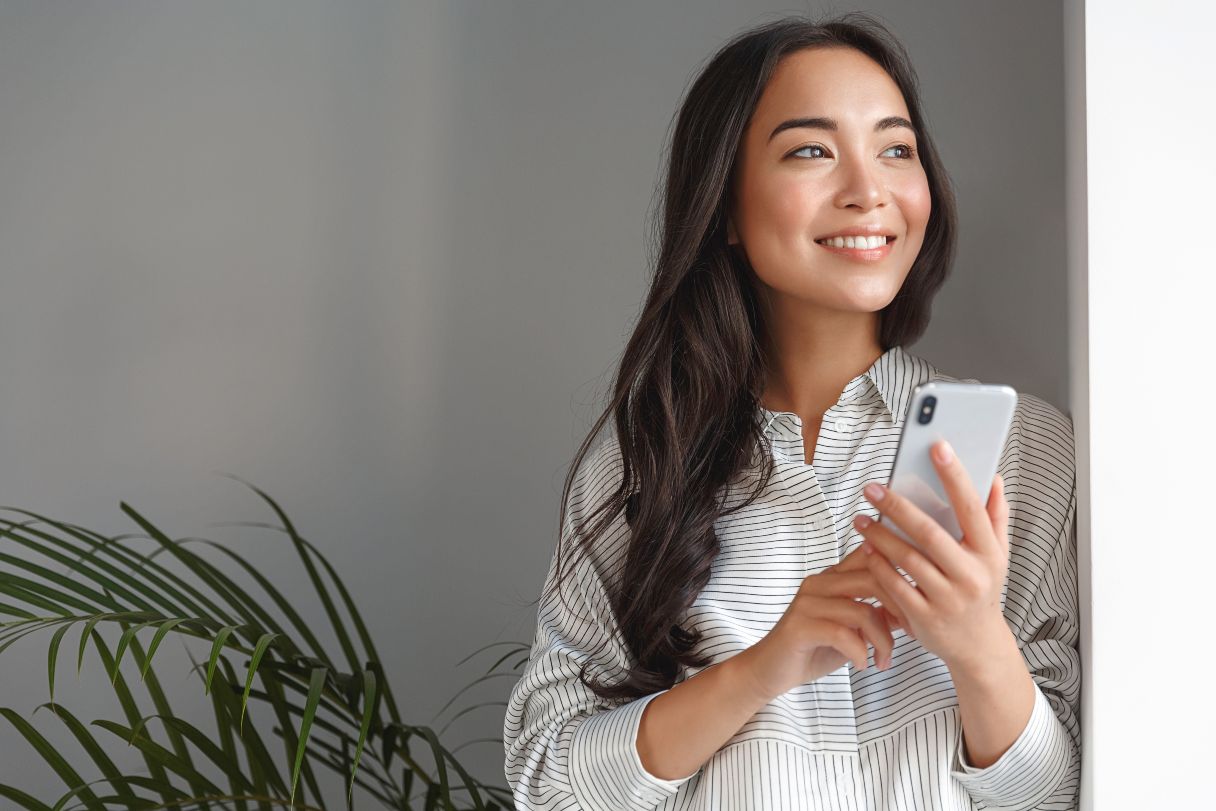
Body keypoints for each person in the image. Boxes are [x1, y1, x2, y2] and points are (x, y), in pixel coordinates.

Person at [503, 11, 1080, 811]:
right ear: (726, 208)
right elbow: (546, 781)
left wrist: (977, 642)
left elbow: (1058, 795)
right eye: (812, 150)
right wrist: (760, 669)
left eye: (896, 149)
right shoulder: (643, 463)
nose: (869, 191)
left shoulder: (1029, 451)